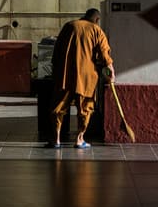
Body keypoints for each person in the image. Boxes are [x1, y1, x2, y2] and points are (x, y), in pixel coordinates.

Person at [48, 8, 115, 149]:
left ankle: (56, 139)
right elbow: (104, 55)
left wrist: (56, 72)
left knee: (59, 107)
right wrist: (111, 73)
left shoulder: (69, 26)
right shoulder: (97, 31)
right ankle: (79, 139)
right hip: (85, 78)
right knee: (85, 109)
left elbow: (56, 51)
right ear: (97, 19)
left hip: (65, 75)